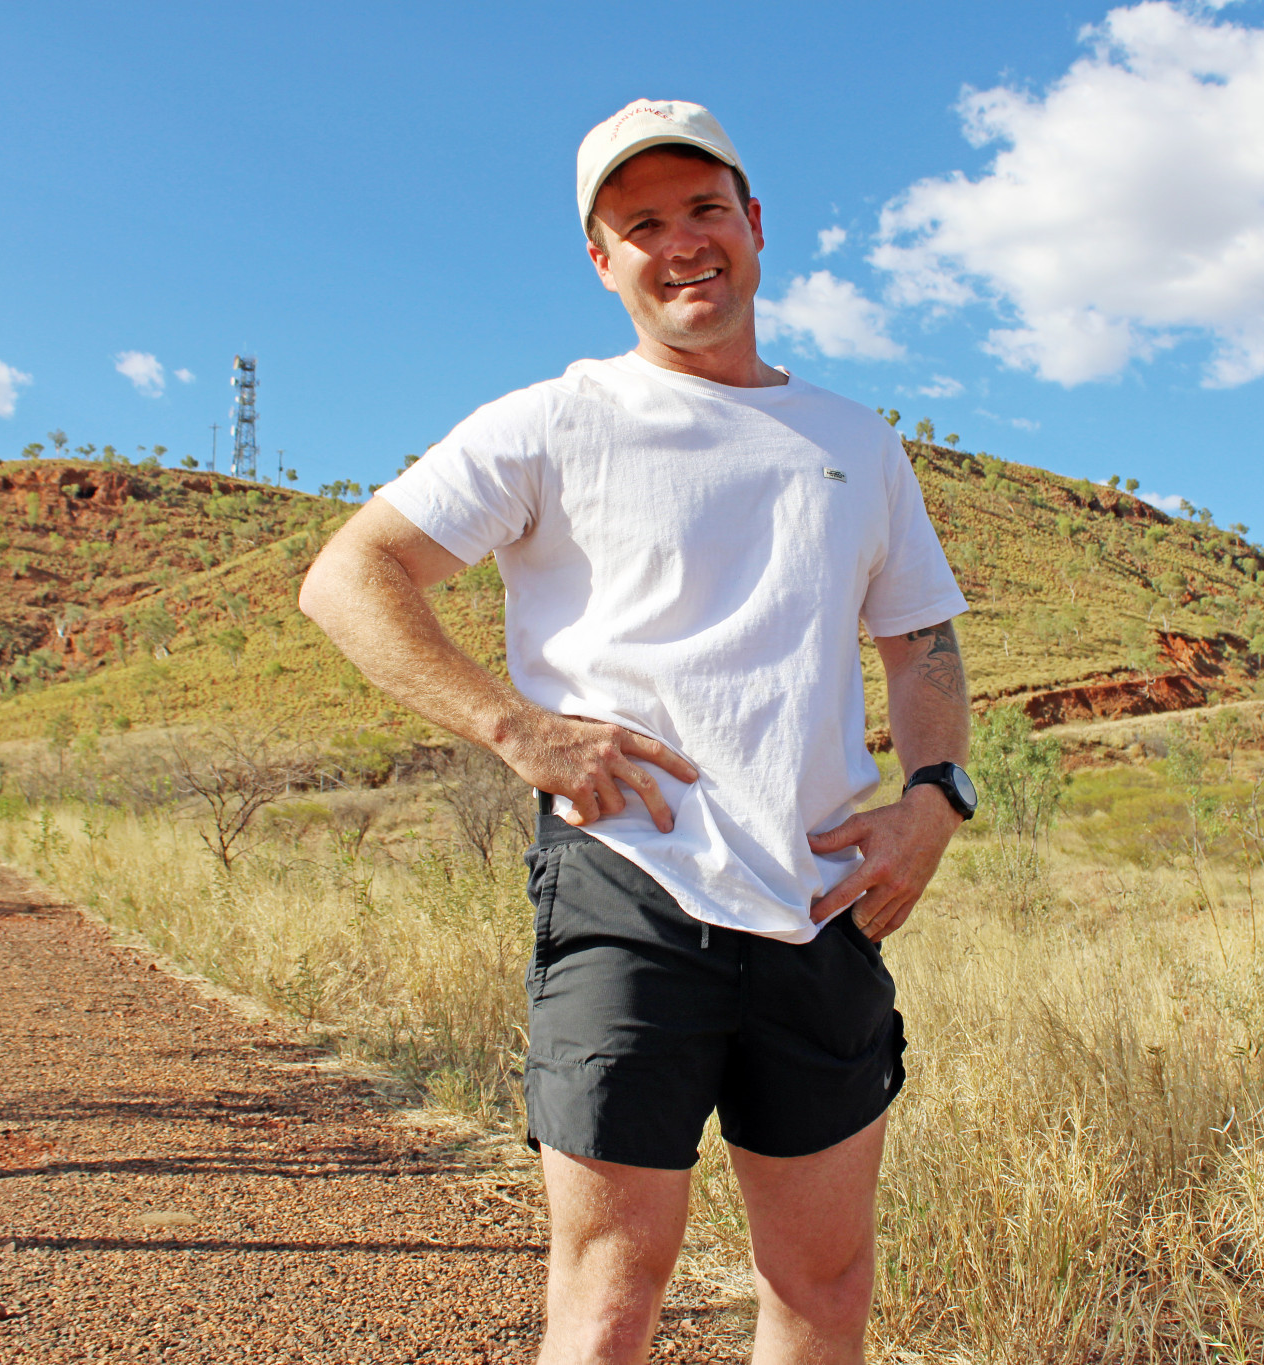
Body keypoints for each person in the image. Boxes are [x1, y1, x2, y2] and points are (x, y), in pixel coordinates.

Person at [299, 98, 978, 1365]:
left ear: (754, 226)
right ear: (602, 261)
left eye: (704, 210)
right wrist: (516, 729)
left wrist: (933, 799)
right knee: (613, 1284)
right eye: (641, 223)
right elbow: (349, 576)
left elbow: (919, 640)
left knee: (822, 1285)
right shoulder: (552, 420)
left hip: (822, 898)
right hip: (629, 884)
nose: (682, 245)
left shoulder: (855, 439)